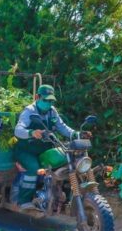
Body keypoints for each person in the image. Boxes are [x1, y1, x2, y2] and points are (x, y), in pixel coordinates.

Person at [13, 84, 80, 212]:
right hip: (26, 151)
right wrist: (31, 132)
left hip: (45, 150)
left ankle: (60, 198)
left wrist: (76, 134)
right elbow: (18, 130)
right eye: (46, 100)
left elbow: (62, 127)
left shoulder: (52, 111)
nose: (48, 103)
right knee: (34, 169)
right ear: (37, 97)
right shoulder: (29, 111)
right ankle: (24, 201)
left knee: (65, 165)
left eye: (51, 101)